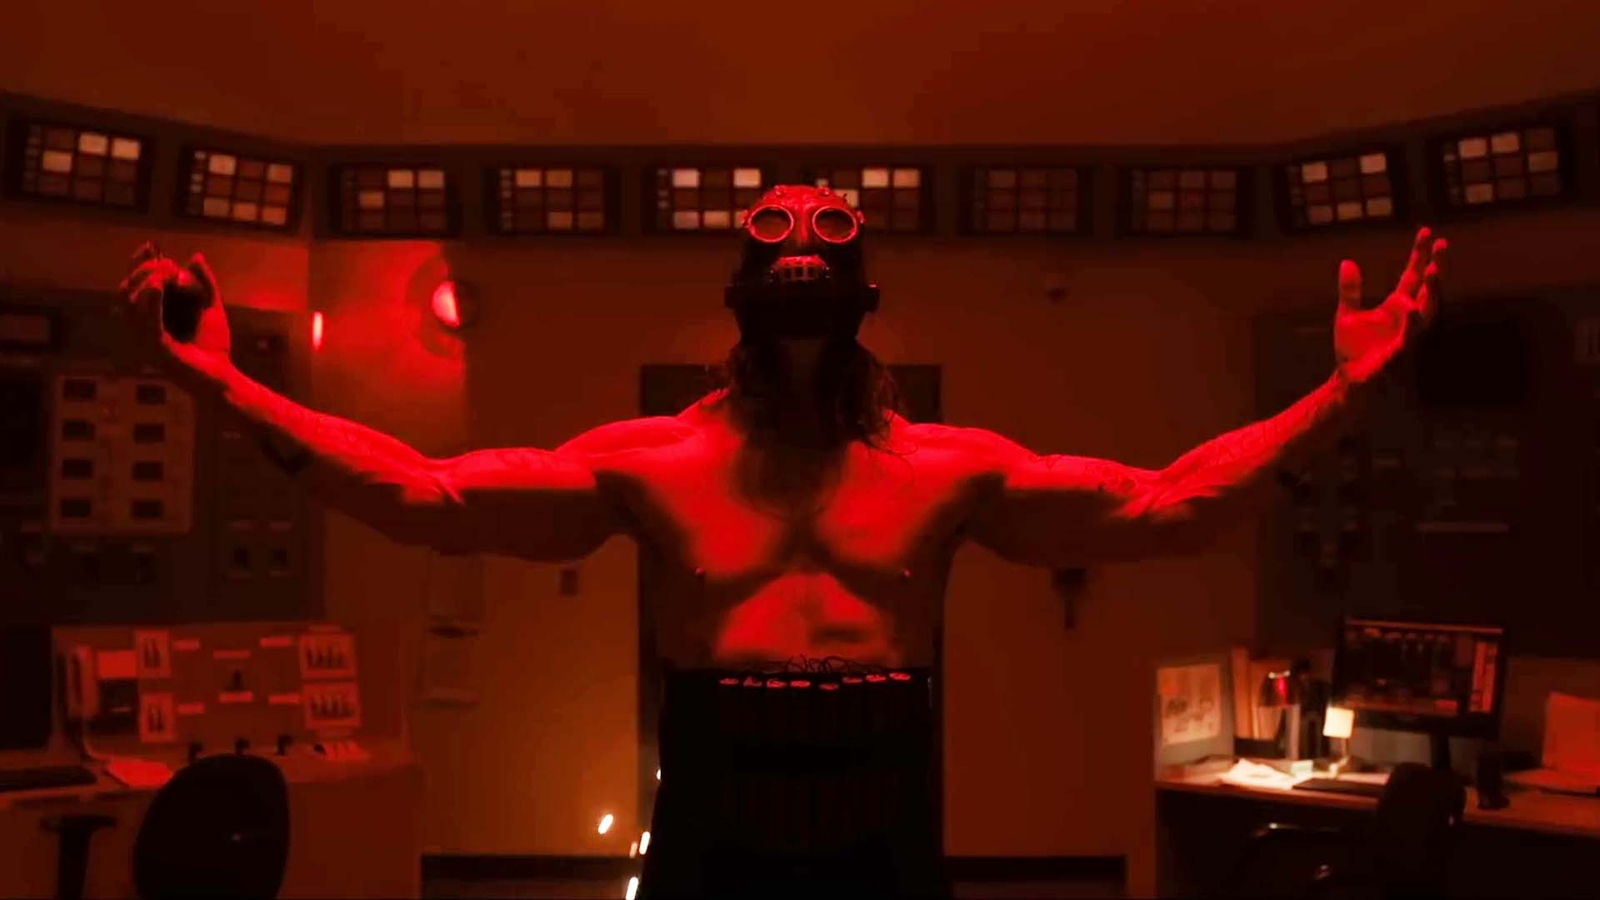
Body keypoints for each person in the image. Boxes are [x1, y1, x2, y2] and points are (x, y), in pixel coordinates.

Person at [118, 184, 1445, 897]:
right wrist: (220, 382)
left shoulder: (948, 468)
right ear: (741, 289)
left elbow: (1172, 503)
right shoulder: (651, 461)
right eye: (778, 225)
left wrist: (1344, 392)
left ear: (863, 289)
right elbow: (423, 492)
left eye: (828, 225)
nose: (802, 240)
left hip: (885, 835)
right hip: (715, 833)